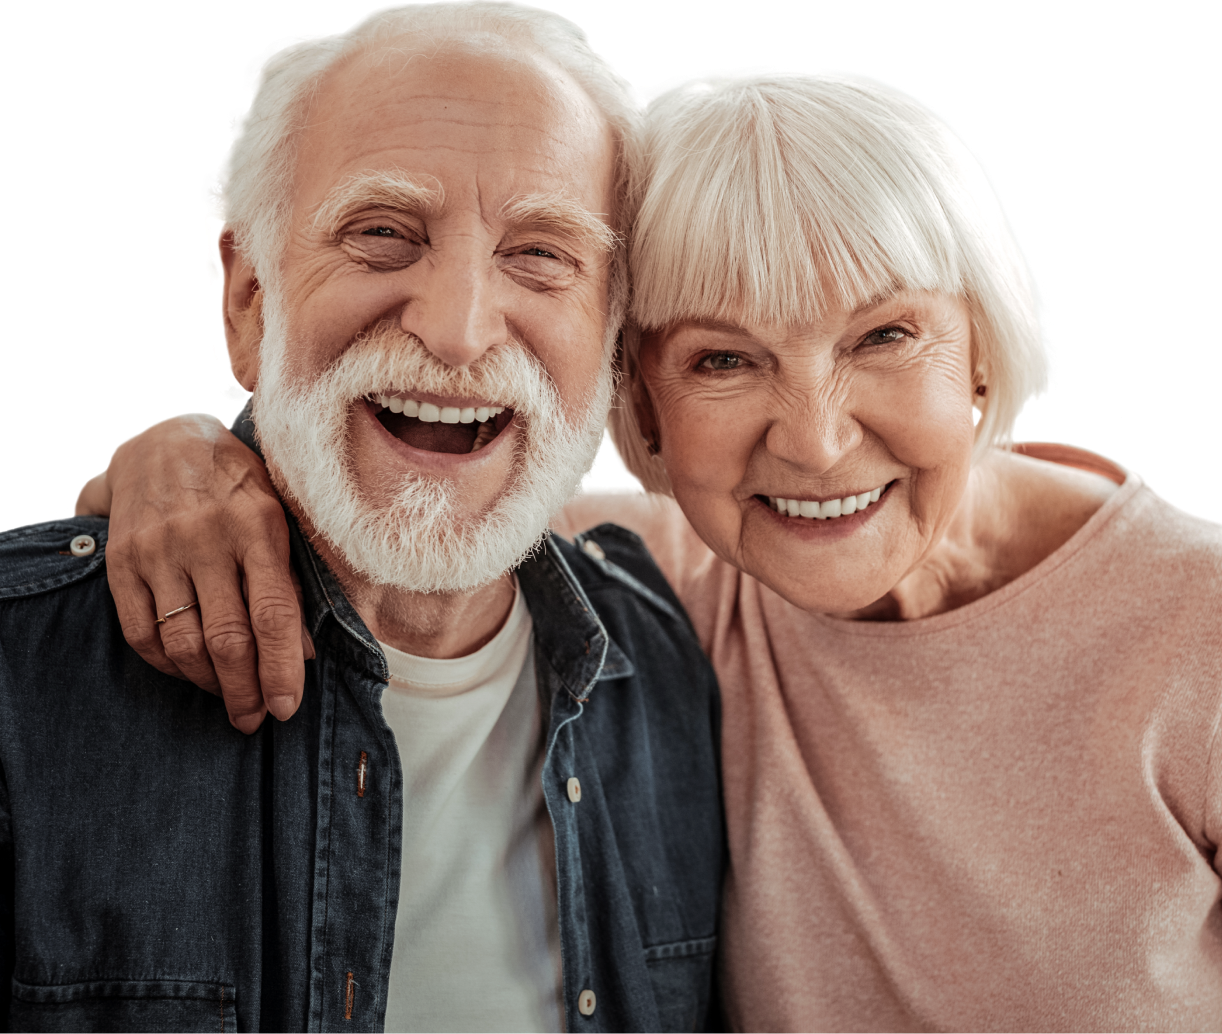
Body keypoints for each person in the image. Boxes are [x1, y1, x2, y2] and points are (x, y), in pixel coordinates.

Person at [77, 59, 1222, 1033]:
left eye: (885, 337)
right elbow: (378, 490)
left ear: (984, 353)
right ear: (637, 409)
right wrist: (188, 454)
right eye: (726, 360)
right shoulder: (650, 578)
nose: (813, 442)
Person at [0, 5, 726, 1032]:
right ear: (249, 297)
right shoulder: (20, 673)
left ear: (613, 336)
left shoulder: (686, 664)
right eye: (382, 235)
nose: (460, 329)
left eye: (541, 254)